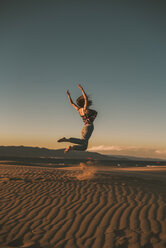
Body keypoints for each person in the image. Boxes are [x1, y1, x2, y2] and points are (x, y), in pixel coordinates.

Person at [58, 84, 97, 153]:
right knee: (83, 142)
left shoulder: (79, 110)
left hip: (84, 128)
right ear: (84, 103)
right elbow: (86, 99)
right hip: (88, 127)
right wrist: (81, 89)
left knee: (84, 146)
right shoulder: (85, 109)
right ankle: (67, 140)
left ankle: (72, 147)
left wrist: (68, 96)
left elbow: (72, 103)